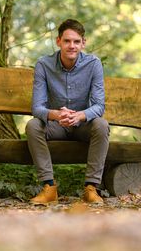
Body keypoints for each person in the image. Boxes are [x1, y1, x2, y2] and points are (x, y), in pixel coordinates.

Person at [26, 19, 110, 204]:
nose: (72, 46)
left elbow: (99, 106)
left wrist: (79, 116)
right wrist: (56, 115)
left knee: (102, 125)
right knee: (33, 126)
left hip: (82, 126)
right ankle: (49, 188)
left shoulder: (93, 64)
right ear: (58, 41)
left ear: (83, 43)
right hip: (57, 125)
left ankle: (91, 189)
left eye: (76, 41)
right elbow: (37, 107)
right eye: (67, 41)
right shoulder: (44, 65)